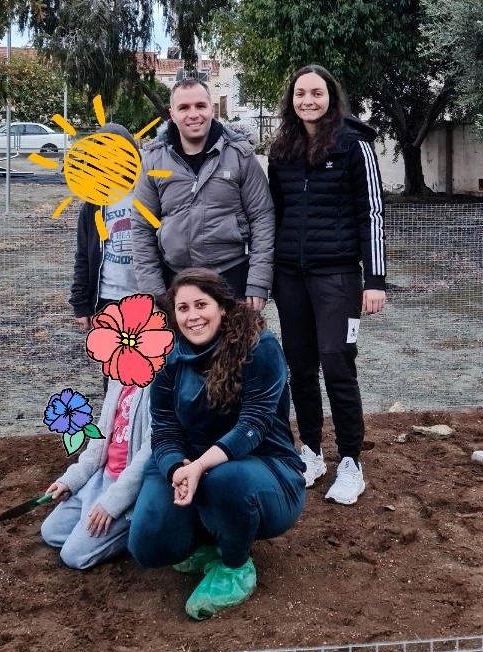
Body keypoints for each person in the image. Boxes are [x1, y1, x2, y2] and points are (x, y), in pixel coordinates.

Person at [128, 267, 305, 620]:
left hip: (263, 468)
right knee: (148, 547)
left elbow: (252, 426)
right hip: (191, 466)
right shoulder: (168, 355)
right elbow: (163, 430)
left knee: (224, 480)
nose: (192, 316)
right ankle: (212, 538)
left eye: (201, 304)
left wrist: (199, 466)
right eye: (182, 308)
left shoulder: (260, 347)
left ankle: (235, 565)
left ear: (222, 306)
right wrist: (177, 468)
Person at [266, 64, 387, 506]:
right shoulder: (282, 148)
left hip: (337, 276)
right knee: (299, 367)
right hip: (289, 277)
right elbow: (271, 215)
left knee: (337, 362)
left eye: (316, 93)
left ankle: (351, 461)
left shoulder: (355, 145)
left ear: (331, 97)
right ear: (291, 100)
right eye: (300, 93)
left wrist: (374, 280)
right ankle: (311, 452)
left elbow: (371, 213)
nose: (308, 101)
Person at [131, 77, 275, 311]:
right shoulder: (154, 160)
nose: (193, 114)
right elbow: (141, 227)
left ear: (212, 109)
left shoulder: (240, 155)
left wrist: (258, 282)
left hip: (231, 277)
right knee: (181, 348)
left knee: (237, 346)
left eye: (200, 106)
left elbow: (262, 218)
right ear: (172, 114)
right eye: (184, 108)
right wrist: (154, 292)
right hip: (175, 279)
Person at [40, 377, 152, 570]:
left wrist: (113, 504)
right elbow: (100, 437)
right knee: (50, 532)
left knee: (73, 555)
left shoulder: (158, 380)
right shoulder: (119, 377)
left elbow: (149, 452)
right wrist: (72, 480)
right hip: (101, 479)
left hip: (127, 490)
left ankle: (136, 532)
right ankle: (93, 532)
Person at [70, 123, 142, 330]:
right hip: (106, 298)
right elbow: (83, 256)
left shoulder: (148, 195)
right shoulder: (93, 204)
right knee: (112, 360)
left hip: (147, 297)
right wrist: (81, 304)